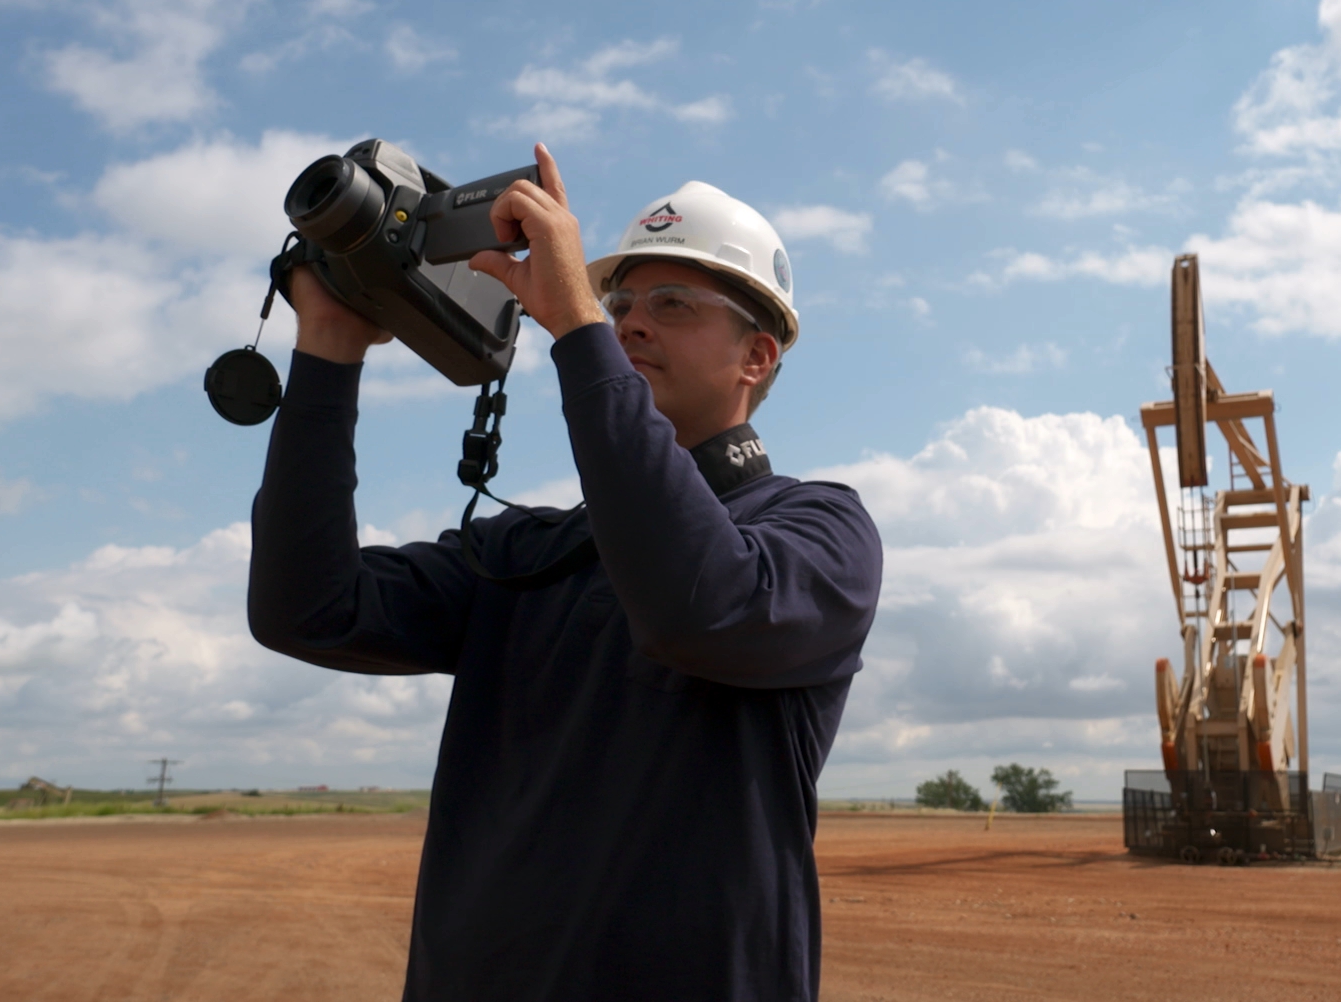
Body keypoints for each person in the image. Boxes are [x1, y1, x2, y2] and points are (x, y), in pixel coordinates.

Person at [246, 144, 883, 1001]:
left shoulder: (818, 530)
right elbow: (307, 607)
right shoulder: (526, 551)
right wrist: (328, 350)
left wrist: (580, 328)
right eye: (619, 303)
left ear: (756, 357)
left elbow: (697, 604)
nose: (630, 323)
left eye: (671, 304)